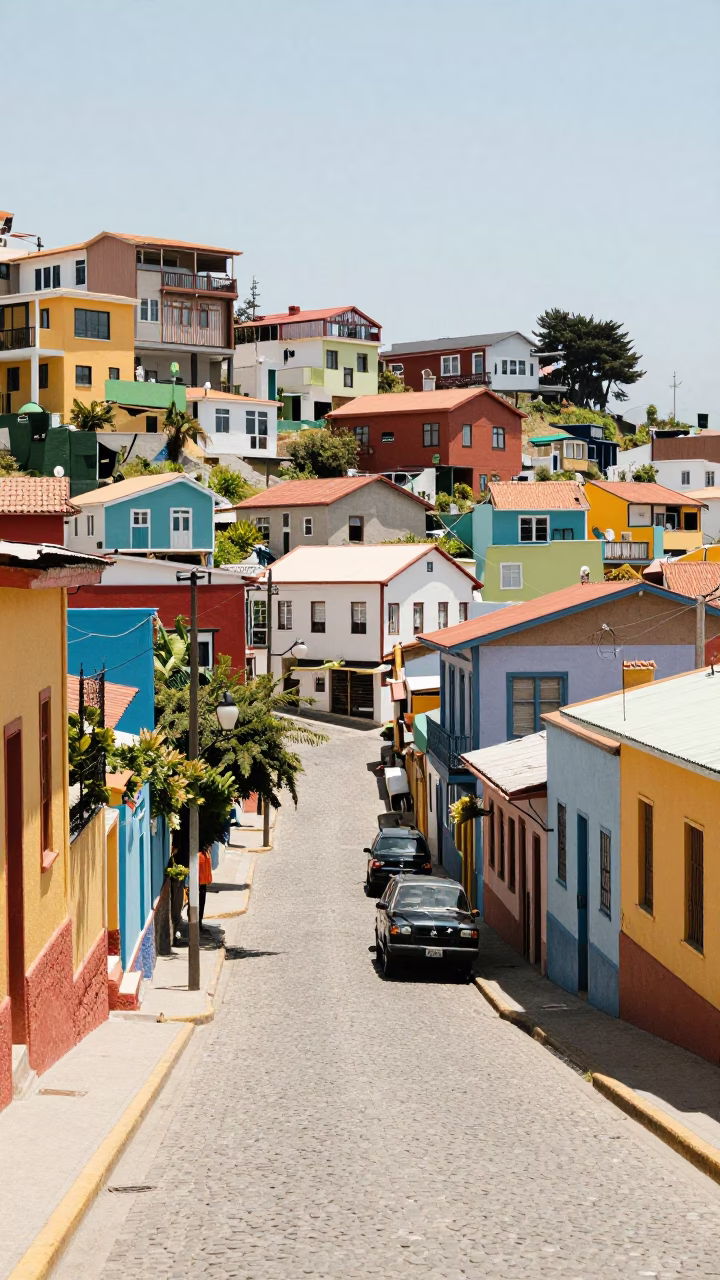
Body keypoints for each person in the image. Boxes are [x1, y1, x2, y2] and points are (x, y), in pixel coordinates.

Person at [198, 846, 213, 930]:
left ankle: (199, 922)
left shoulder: (205, 854)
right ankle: (198, 922)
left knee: (201, 901)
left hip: (202, 882)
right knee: (199, 901)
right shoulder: (201, 855)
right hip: (198, 881)